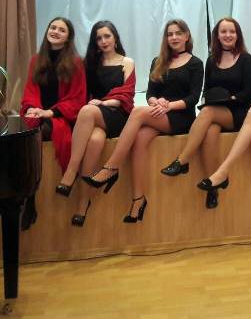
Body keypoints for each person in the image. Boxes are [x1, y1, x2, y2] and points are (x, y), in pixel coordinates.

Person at [164, 8, 251, 218]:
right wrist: (222, 98)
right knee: (221, 131)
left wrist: (240, 100)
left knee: (210, 113)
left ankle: (199, 165)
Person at [83, 19, 204, 223]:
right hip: (159, 113)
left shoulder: (195, 63)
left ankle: (111, 167)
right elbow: (150, 93)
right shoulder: (158, 61)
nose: (173, 37)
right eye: (169, 34)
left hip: (181, 117)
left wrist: (168, 105)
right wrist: (155, 101)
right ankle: (138, 200)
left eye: (178, 33)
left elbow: (193, 98)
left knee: (138, 113)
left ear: (187, 36)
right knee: (139, 139)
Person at [169, 17, 251, 209]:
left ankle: (183, 160)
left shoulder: (246, 59)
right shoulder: (211, 60)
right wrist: (210, 99)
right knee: (209, 131)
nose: (228, 35)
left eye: (232, 31)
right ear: (217, 35)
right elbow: (207, 89)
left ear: (237, 35)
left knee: (207, 112)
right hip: (217, 110)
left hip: (239, 112)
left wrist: (232, 98)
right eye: (223, 31)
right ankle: (213, 186)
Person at [56, 21, 135, 227]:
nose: (103, 41)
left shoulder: (127, 62)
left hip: (117, 115)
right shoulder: (89, 64)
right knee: (95, 140)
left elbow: (126, 95)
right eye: (99, 38)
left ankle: (70, 172)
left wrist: (104, 102)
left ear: (115, 38)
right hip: (96, 116)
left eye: (107, 36)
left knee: (88, 110)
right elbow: (80, 92)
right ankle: (83, 203)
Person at [21, 17, 86, 172]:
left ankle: (43, 177)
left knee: (42, 130)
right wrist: (31, 108)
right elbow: (30, 91)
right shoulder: (36, 60)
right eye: (53, 27)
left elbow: (77, 99)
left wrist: (49, 113)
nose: (56, 31)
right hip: (38, 113)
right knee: (19, 133)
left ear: (68, 38)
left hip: (63, 117)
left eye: (62, 30)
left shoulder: (76, 63)